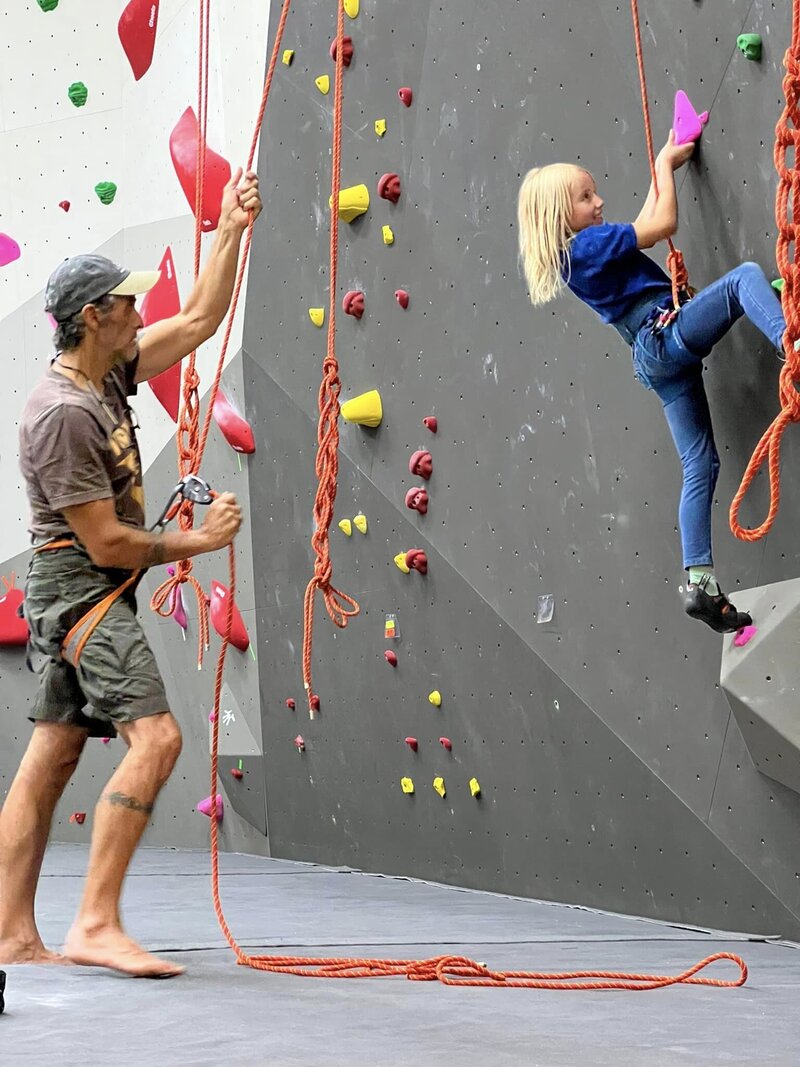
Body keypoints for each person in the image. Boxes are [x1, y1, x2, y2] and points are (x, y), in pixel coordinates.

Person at [0, 167, 261, 978]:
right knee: (158, 737)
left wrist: (229, 229)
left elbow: (202, 317)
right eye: (124, 303)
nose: (138, 310)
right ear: (92, 318)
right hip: (79, 594)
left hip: (83, 589)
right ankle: (97, 921)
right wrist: (201, 539)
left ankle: (11, 935)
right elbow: (108, 544)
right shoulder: (64, 415)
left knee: (52, 754)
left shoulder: (105, 371)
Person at [517, 131, 787, 633]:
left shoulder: (575, 256)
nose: (598, 203)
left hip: (652, 358)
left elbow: (641, 226)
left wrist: (665, 163)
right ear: (561, 213)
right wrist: (664, 163)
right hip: (664, 334)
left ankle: (700, 580)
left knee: (698, 462)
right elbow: (661, 224)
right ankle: (792, 345)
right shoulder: (589, 243)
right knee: (744, 278)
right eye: (586, 197)